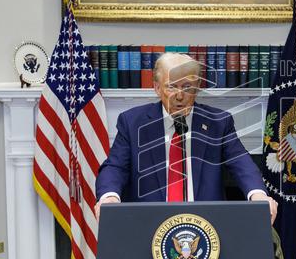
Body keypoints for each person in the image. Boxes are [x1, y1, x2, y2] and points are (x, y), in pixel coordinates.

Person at [95, 53, 277, 222]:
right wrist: (109, 197)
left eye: (187, 87)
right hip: (147, 224)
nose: (179, 96)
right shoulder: (132, 122)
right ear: (157, 88)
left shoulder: (218, 123)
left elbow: (241, 163)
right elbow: (115, 167)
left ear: (197, 88)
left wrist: (258, 195)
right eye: (171, 86)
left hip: (207, 224)